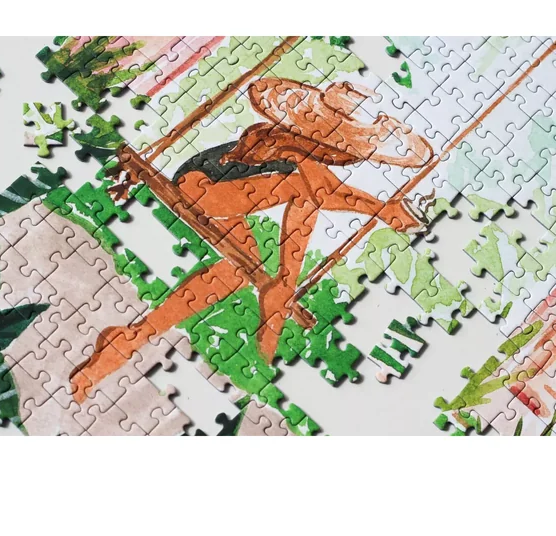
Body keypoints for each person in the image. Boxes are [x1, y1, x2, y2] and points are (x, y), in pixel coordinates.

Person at [70, 77, 434, 403]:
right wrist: (385, 211)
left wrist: (383, 211)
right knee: (304, 190)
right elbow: (327, 192)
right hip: (201, 188)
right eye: (347, 150)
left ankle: (130, 338)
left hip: (226, 203)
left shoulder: (305, 157)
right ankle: (280, 295)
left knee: (234, 273)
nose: (346, 158)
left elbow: (323, 192)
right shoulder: (277, 141)